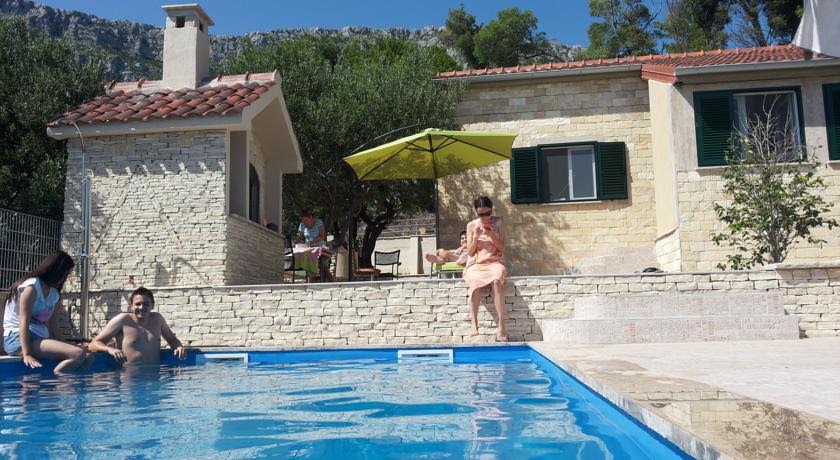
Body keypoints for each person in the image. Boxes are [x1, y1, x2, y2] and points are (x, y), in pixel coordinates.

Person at [2, 250, 93, 373]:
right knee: (77, 354)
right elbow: (23, 321)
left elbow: (54, 330)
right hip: (17, 338)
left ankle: (74, 382)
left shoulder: (53, 294)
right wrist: (27, 354)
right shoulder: (32, 286)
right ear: (58, 271)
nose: (66, 278)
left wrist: (69, 345)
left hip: (39, 338)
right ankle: (57, 380)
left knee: (88, 355)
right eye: (66, 274)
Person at [89, 287, 186, 364]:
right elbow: (93, 344)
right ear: (131, 306)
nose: (141, 307)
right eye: (137, 304)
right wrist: (110, 350)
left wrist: (178, 346)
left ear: (152, 305)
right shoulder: (122, 320)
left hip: (154, 377)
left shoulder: (157, 319)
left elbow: (172, 340)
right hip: (129, 376)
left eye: (146, 304)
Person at [463, 196, 508, 341]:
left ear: (491, 210)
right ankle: (474, 323)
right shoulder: (471, 226)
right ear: (476, 212)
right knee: (475, 282)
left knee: (496, 280)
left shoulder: (499, 223)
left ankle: (501, 325)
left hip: (495, 261)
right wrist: (476, 237)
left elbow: (502, 248)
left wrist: (492, 235)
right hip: (477, 263)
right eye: (481, 214)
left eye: (488, 213)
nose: (485, 217)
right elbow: (470, 253)